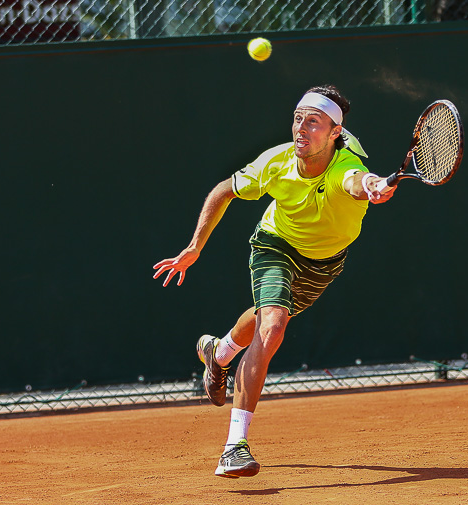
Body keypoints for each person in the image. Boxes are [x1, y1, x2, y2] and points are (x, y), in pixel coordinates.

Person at [153, 85, 397, 478]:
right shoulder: (276, 161)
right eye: (298, 118)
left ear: (335, 132)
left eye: (313, 122)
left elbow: (357, 181)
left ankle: (218, 353)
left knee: (264, 319)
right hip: (275, 244)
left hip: (324, 262)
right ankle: (234, 447)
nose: (301, 128)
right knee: (273, 326)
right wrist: (195, 246)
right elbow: (223, 191)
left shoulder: (344, 166)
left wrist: (372, 186)